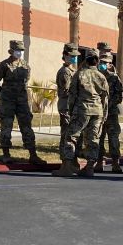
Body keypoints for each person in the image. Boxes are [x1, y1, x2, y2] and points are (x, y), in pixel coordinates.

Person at [55, 48, 110, 178]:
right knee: (93, 139)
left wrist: (71, 109)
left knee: (71, 136)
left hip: (82, 109)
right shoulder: (101, 76)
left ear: (86, 59)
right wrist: (104, 114)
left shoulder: (80, 74)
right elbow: (105, 98)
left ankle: (67, 167)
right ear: (97, 61)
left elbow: (72, 95)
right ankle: (89, 167)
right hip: (98, 111)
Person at [0, 39, 45, 167]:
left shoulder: (25, 66)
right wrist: (0, 95)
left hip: (21, 101)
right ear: (11, 51)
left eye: (21, 50)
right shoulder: (4, 65)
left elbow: (25, 82)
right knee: (6, 126)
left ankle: (33, 155)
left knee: (26, 126)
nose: (20, 53)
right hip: (7, 101)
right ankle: (6, 155)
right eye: (17, 50)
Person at [52, 43, 79, 177]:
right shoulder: (64, 72)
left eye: (75, 56)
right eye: (72, 56)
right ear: (65, 56)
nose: (74, 58)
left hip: (73, 107)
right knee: (66, 135)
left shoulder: (73, 71)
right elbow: (68, 91)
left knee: (72, 136)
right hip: (66, 107)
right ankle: (65, 163)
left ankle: (72, 163)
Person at [95, 52, 123, 173]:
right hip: (98, 113)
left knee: (113, 138)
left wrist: (109, 105)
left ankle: (115, 163)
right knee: (98, 138)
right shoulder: (95, 76)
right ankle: (98, 162)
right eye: (101, 62)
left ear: (109, 64)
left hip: (111, 113)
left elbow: (119, 96)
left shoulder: (114, 78)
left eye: (105, 63)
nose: (102, 64)